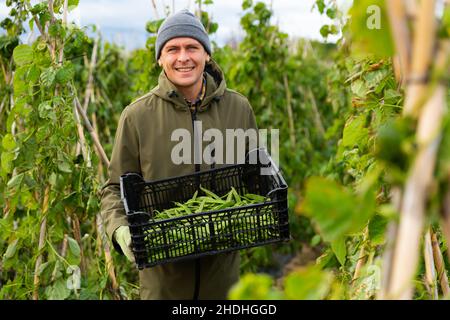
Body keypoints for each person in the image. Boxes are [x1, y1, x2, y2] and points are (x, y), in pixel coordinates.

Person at [100, 9, 258, 300]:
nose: (183, 57)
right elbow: (113, 189)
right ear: (160, 58)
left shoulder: (238, 108)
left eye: (192, 47)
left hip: (222, 280)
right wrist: (120, 230)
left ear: (207, 55)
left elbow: (254, 175)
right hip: (163, 282)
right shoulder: (137, 116)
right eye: (172, 49)